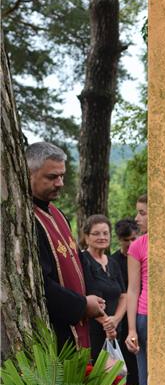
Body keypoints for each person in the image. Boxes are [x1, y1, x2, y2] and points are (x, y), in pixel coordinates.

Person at [25, 141, 105, 350]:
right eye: (52, 177)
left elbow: (79, 261)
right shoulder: (28, 221)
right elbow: (40, 282)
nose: (60, 183)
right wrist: (81, 306)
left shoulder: (58, 214)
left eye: (62, 176)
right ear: (28, 173)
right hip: (56, 330)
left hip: (80, 322)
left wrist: (94, 297)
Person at [80, 215, 126, 364]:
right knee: (96, 378)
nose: (102, 237)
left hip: (114, 329)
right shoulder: (82, 260)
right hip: (92, 330)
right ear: (86, 237)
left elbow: (124, 296)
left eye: (105, 233)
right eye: (96, 233)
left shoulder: (113, 262)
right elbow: (85, 296)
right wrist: (107, 323)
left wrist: (115, 320)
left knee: (116, 378)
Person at [111, 218, 139, 385]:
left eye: (133, 239)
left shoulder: (143, 257)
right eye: (125, 240)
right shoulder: (114, 261)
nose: (129, 243)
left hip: (140, 312)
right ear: (119, 239)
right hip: (121, 316)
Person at [125, 194, 149, 385]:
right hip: (145, 317)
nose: (136, 218)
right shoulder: (137, 245)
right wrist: (132, 329)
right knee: (146, 377)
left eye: (142, 213)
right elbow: (132, 290)